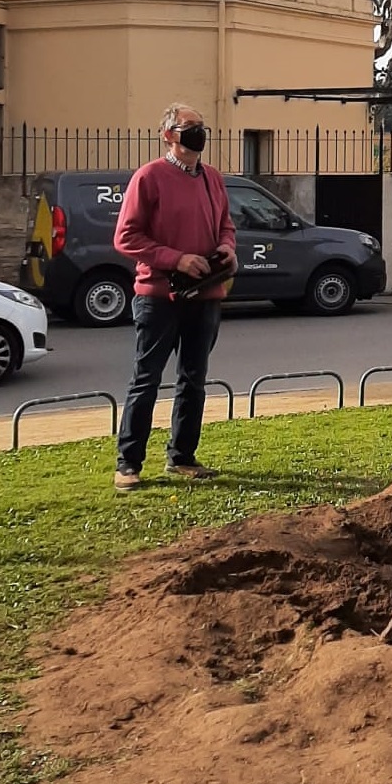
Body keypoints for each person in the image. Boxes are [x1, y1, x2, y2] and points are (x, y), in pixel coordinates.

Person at [111, 104, 236, 493]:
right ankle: (128, 463)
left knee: (193, 379)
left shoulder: (212, 178)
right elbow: (126, 238)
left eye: (202, 127)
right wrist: (177, 259)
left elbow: (225, 226)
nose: (199, 133)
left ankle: (182, 456)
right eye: (190, 127)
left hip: (206, 295)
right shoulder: (149, 177)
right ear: (169, 134)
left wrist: (227, 248)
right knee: (146, 379)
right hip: (159, 296)